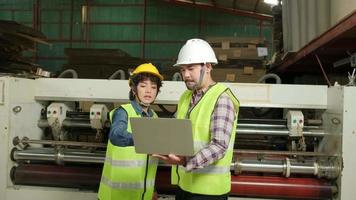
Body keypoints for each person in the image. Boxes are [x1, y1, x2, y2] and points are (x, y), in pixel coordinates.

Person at [155, 39, 239, 200]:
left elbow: (219, 146)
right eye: (182, 69)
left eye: (191, 68)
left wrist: (185, 161)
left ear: (207, 67)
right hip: (185, 185)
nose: (185, 75)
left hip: (209, 192)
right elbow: (177, 129)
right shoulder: (186, 97)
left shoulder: (221, 99)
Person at [98, 63, 163, 200]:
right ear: (134, 89)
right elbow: (116, 135)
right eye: (143, 86)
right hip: (116, 195)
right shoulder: (123, 112)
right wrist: (144, 140)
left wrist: (153, 189)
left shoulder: (155, 118)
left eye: (153, 87)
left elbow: (150, 159)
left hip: (143, 195)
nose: (148, 91)